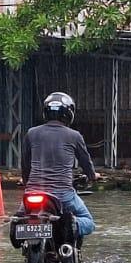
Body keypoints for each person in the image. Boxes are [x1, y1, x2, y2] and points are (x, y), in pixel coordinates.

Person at [20, 92, 96, 239]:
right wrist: (92, 176)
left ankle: (17, 228)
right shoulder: (74, 136)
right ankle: (70, 225)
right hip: (62, 194)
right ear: (69, 113)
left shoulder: (31, 133)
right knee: (88, 221)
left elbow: (25, 164)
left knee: (19, 217)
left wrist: (26, 182)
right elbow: (86, 162)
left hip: (32, 192)